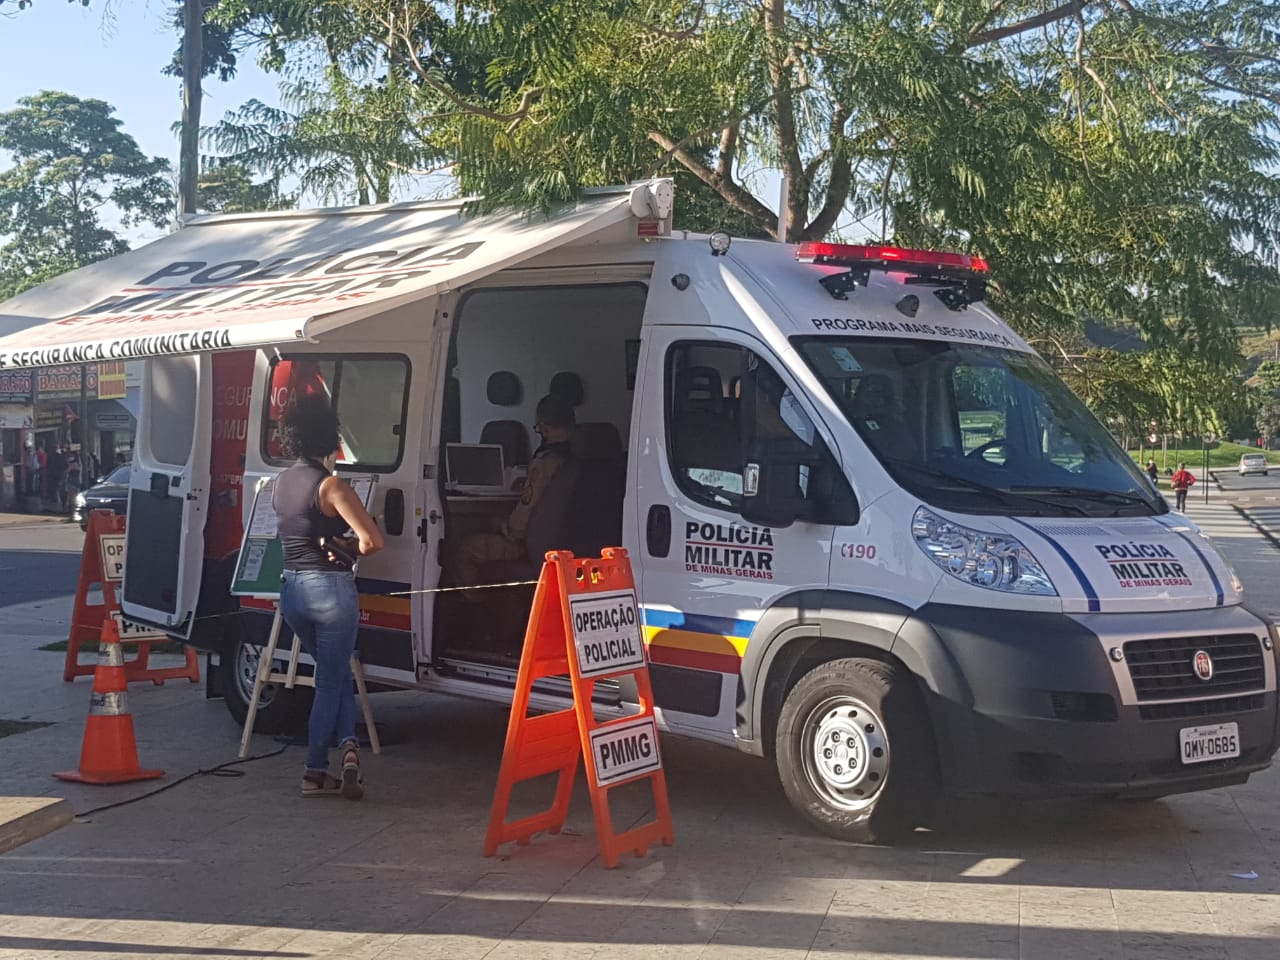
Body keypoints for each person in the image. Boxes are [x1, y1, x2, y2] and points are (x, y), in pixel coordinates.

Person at [273, 394, 384, 800]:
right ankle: (315, 772)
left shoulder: (281, 482)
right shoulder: (332, 486)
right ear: (331, 438)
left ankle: (350, 747)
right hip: (330, 590)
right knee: (330, 681)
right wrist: (348, 545)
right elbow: (373, 541)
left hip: (291, 590)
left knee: (334, 675)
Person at [450, 394, 575, 599]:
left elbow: (522, 520)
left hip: (529, 547)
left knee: (465, 549)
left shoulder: (546, 463)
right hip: (571, 544)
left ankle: (476, 612)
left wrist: (502, 527)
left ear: (544, 427)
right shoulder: (584, 462)